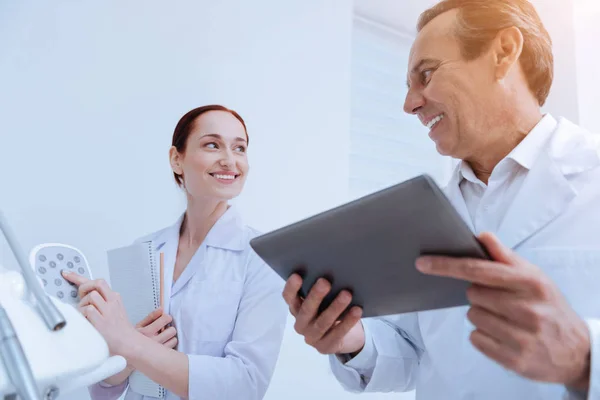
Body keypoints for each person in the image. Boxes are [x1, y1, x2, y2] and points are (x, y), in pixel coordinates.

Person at [282, 1, 600, 399]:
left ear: (502, 53)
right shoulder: (428, 213)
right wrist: (353, 339)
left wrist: (586, 357)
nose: (409, 104)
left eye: (426, 75)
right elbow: (416, 351)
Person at [63, 105, 287, 400]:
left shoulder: (263, 258)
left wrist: (131, 344)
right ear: (176, 159)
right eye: (212, 144)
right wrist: (122, 349)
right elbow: (105, 391)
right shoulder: (142, 249)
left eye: (240, 148)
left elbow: (245, 385)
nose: (230, 160)